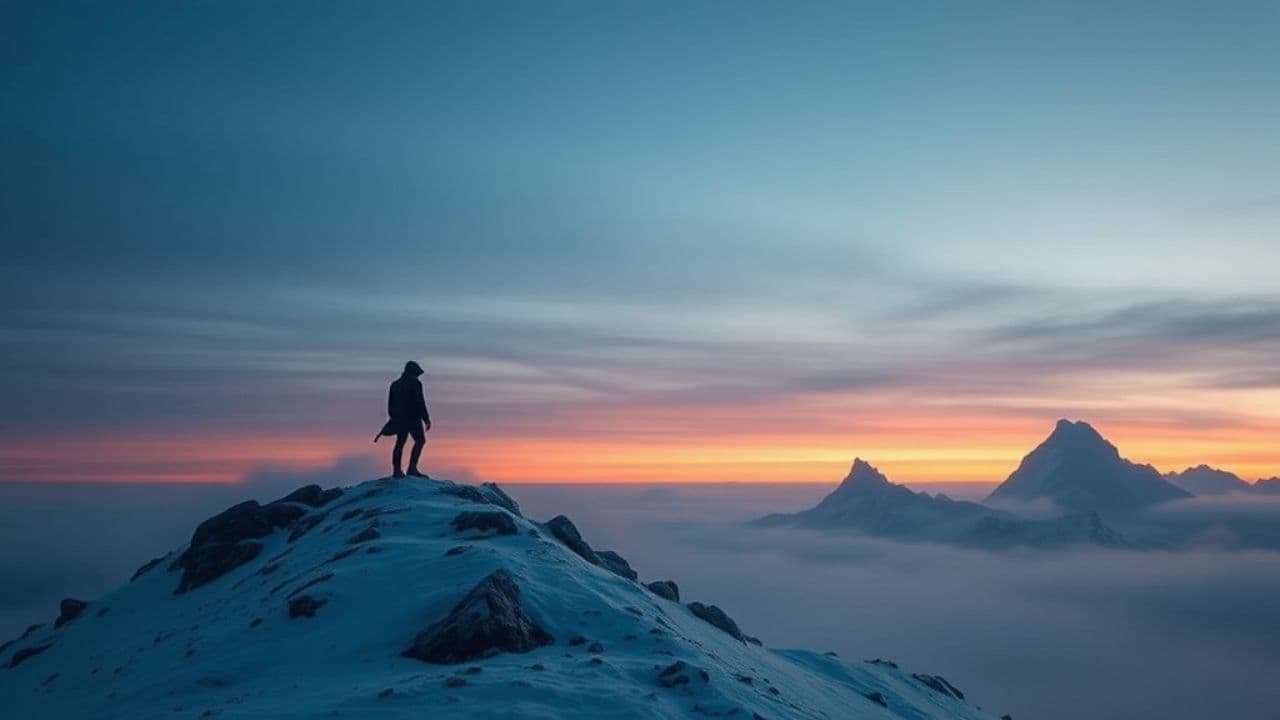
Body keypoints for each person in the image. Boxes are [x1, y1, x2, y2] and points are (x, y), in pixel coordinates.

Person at [375, 361, 432, 478]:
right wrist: (426, 418)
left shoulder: (395, 384)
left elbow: (390, 405)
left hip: (399, 419)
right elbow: (420, 402)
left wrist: (394, 418)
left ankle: (397, 470)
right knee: (420, 440)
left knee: (400, 442)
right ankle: (412, 468)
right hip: (413, 418)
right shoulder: (416, 383)